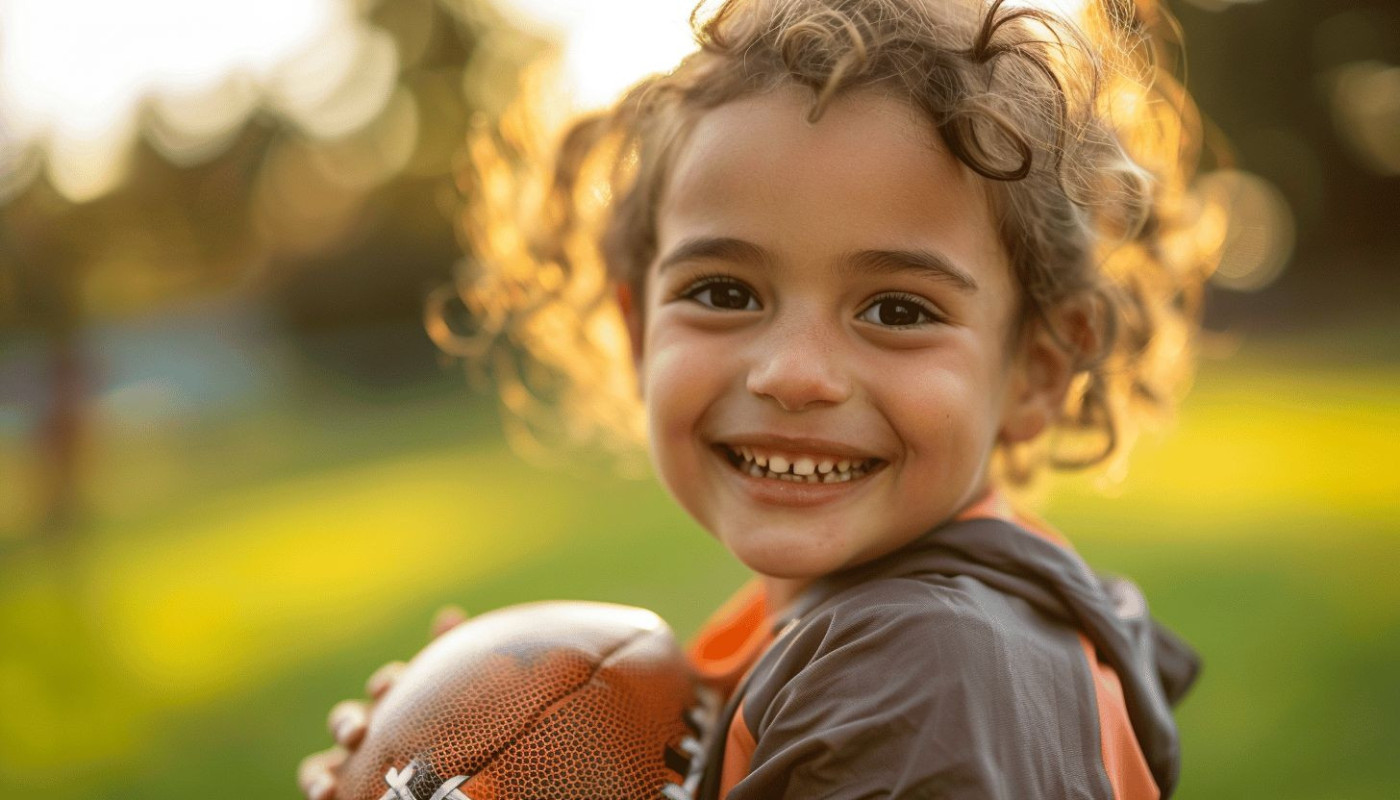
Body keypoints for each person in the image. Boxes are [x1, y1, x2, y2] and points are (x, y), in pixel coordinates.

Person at [299, 0, 1218, 796]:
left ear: (1038, 370)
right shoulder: (847, 632)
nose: (792, 373)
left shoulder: (924, 674)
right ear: (637, 325)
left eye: (897, 309)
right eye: (724, 293)